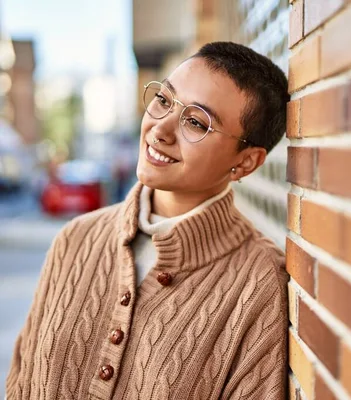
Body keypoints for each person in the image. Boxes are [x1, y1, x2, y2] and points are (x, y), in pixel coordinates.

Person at [5, 42, 290, 400]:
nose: (160, 129)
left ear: (246, 162)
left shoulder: (258, 284)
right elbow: (20, 383)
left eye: (195, 122)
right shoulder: (75, 239)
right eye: (164, 101)